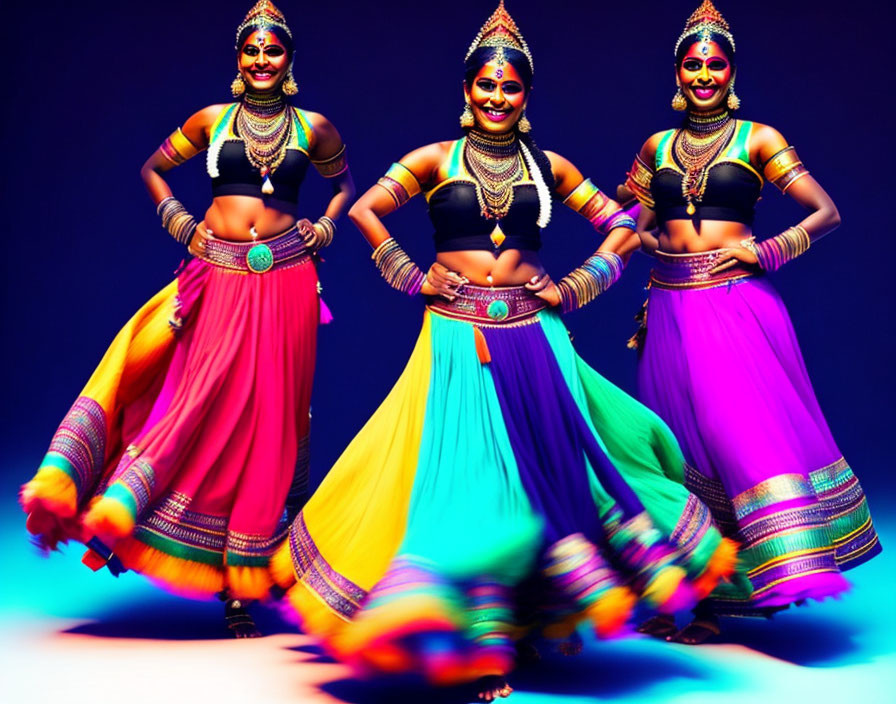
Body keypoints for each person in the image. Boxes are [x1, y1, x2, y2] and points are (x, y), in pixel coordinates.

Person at [269, 2, 735, 699]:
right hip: (458, 338)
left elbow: (626, 224)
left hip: (534, 338)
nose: (495, 96)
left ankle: (529, 627)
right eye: (485, 85)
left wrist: (579, 286)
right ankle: (481, 648)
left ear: (525, 95)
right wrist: (409, 272)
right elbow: (364, 209)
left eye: (510, 86)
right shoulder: (435, 160)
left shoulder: (548, 165)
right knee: (472, 483)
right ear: (467, 90)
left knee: (556, 478)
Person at [20, 0, 354, 637]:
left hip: (286, 279)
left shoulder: (314, 128)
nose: (262, 59)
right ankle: (131, 511)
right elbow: (154, 169)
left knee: (271, 419)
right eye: (251, 50)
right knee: (200, 402)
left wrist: (327, 225)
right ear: (238, 59)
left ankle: (241, 581)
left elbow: (343, 185)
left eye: (273, 50)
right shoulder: (212, 121)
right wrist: (179, 222)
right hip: (219, 275)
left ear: (288, 60)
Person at [623, 0, 880, 644]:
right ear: (677, 74)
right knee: (679, 450)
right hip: (669, 308)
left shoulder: (757, 139)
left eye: (715, 64)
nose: (703, 74)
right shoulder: (657, 147)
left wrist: (766, 250)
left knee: (735, 436)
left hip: (733, 306)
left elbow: (826, 212)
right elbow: (630, 218)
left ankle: (761, 577)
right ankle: (697, 598)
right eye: (692, 64)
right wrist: (641, 240)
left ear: (731, 73)